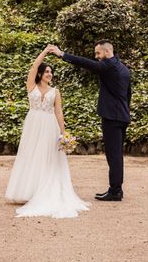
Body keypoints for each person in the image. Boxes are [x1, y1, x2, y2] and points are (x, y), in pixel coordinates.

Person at [4, 45, 89, 218]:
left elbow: (59, 113)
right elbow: (34, 66)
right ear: (41, 74)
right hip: (33, 124)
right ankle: (28, 191)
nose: (49, 74)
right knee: (31, 155)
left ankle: (43, 190)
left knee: (47, 156)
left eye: (51, 72)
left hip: (50, 125)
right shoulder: (31, 86)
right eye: (47, 72)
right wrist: (45, 52)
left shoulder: (55, 92)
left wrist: (63, 134)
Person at [49, 40, 131, 202]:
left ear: (107, 52)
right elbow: (128, 95)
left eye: (98, 53)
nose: (96, 57)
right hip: (122, 116)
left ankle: (115, 191)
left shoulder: (109, 66)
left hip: (112, 117)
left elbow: (86, 64)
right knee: (116, 155)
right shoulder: (124, 69)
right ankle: (116, 189)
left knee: (113, 155)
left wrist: (62, 54)